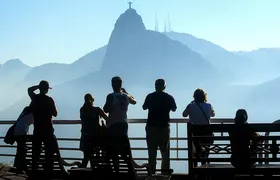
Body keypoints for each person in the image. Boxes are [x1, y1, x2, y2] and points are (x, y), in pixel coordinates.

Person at [142, 79, 177, 174]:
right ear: (164, 87)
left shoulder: (150, 96)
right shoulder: (168, 97)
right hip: (164, 127)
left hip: (151, 127)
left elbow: (144, 107)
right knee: (165, 154)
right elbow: (174, 108)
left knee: (152, 153)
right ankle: (165, 174)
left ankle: (152, 173)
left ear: (155, 85)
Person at [28, 80, 58, 178]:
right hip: (48, 130)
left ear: (40, 88)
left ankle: (34, 172)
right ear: (47, 90)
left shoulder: (35, 98)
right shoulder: (49, 100)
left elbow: (29, 90)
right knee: (49, 152)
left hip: (37, 129)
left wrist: (38, 86)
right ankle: (48, 173)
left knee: (36, 152)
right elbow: (55, 114)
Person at [182, 88, 215, 165]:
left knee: (195, 151)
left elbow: (184, 114)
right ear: (204, 97)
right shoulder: (208, 106)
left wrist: (189, 104)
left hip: (195, 135)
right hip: (207, 134)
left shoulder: (190, 106)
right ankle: (204, 163)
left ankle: (196, 166)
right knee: (205, 151)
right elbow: (213, 114)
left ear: (194, 97)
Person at [79, 93, 108, 168]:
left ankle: (83, 170)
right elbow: (107, 119)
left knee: (86, 157)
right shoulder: (97, 110)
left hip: (85, 137)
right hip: (96, 138)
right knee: (96, 157)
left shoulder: (82, 110)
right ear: (92, 100)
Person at [13, 106, 34, 173]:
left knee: (20, 150)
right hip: (22, 133)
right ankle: (21, 166)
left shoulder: (24, 113)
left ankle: (19, 167)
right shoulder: (32, 114)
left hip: (17, 132)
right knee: (22, 150)